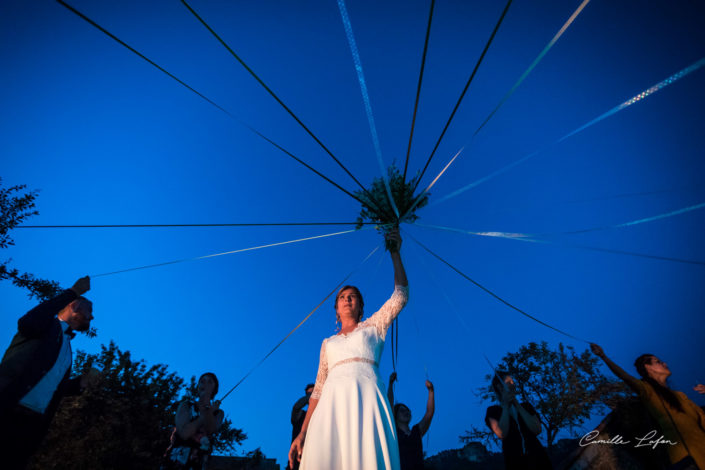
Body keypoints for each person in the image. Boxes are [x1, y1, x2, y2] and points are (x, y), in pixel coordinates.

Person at [288, 229, 408, 470]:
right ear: (336, 309)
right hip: (331, 406)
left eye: (353, 296)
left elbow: (400, 296)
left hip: (367, 400)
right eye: (343, 296)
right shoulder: (327, 343)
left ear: (361, 306)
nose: (347, 299)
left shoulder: (374, 327)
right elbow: (318, 390)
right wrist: (302, 434)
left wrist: (395, 253)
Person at [0, 275, 99, 470]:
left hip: (31, 426)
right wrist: (72, 292)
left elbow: (53, 386)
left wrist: (81, 383)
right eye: (90, 310)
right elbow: (28, 322)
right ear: (75, 306)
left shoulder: (68, 349)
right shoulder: (45, 326)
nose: (92, 317)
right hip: (6, 408)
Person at [591, 343, 705, 470]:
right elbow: (624, 376)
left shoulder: (680, 396)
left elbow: (702, 417)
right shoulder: (647, 391)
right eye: (658, 361)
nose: (665, 364)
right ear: (648, 368)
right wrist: (603, 356)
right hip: (685, 458)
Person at [485, 373, 552, 470]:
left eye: (513, 382)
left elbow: (537, 429)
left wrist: (517, 404)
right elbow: (501, 433)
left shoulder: (526, 406)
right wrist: (506, 406)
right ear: (500, 387)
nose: (513, 385)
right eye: (509, 382)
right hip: (515, 463)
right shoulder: (493, 411)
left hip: (539, 460)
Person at [162, 372, 224, 470]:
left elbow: (210, 430)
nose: (205, 384)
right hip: (176, 460)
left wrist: (209, 412)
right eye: (202, 381)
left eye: (209, 382)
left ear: (215, 389)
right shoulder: (186, 406)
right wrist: (204, 414)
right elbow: (184, 433)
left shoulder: (218, 413)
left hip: (198, 462)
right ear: (198, 386)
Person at [387, 372, 435, 470]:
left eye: (407, 410)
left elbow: (429, 413)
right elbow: (388, 406)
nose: (406, 412)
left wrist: (431, 391)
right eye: (402, 411)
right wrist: (391, 384)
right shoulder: (394, 433)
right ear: (395, 416)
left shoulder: (416, 431)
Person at [287, 383, 315, 470]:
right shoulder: (299, 415)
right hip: (297, 460)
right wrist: (315, 396)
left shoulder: (321, 416)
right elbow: (296, 407)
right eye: (309, 394)